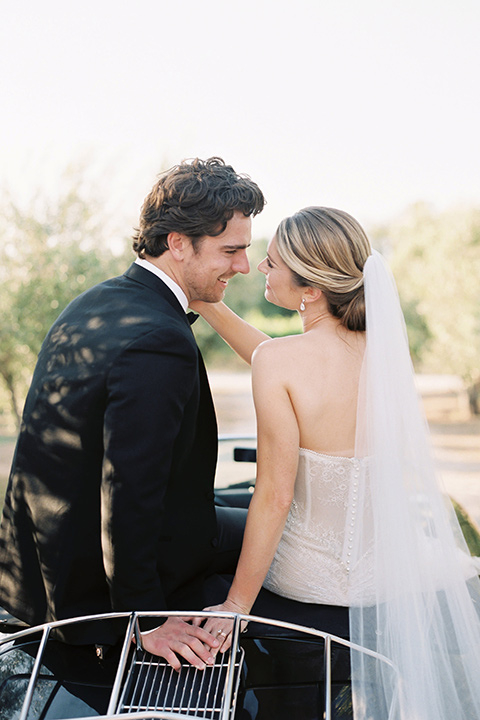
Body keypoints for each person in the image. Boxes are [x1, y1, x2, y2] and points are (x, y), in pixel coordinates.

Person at [191, 207, 480, 719]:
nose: (260, 267)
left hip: (306, 578)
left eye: (274, 262)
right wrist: (208, 303)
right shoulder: (380, 352)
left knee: (200, 533)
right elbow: (278, 358)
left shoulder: (282, 364)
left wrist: (236, 606)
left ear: (311, 290)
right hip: (384, 571)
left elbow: (275, 496)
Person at [0, 157, 265, 671]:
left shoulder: (93, 302)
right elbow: (128, 495)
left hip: (35, 572)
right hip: (94, 591)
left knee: (248, 510)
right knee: (285, 541)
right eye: (231, 251)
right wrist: (144, 620)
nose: (243, 267)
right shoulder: (158, 341)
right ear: (178, 243)